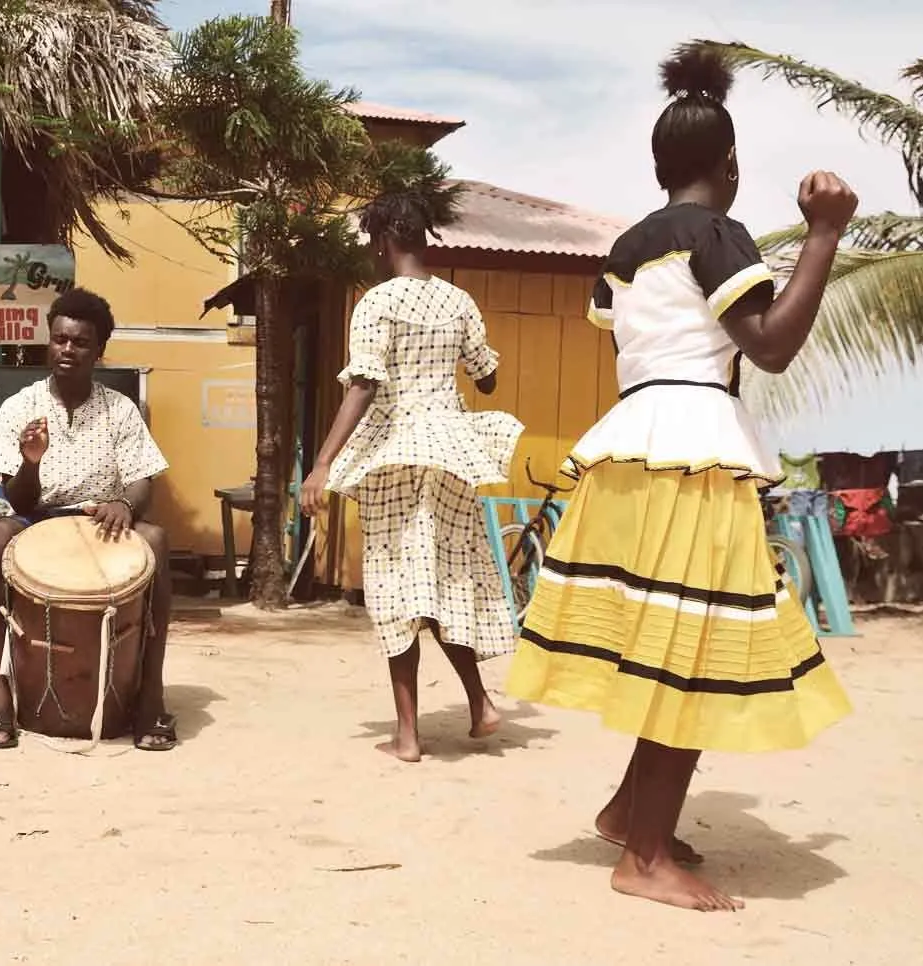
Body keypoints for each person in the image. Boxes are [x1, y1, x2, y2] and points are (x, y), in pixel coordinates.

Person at [505, 49, 856, 912]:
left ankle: (630, 814)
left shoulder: (626, 250)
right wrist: (822, 234)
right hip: (694, 450)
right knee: (690, 654)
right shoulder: (716, 235)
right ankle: (646, 858)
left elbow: (633, 335)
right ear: (730, 167)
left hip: (635, 446)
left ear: (658, 169)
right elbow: (767, 345)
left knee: (671, 641)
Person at [300, 193, 524, 763]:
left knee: (399, 588)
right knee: (443, 581)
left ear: (381, 242)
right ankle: (480, 705)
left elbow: (365, 384)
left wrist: (323, 462)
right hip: (452, 453)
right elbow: (488, 377)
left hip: (398, 456)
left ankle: (408, 735)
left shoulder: (377, 303)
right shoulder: (459, 301)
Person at [0, 287, 176, 751]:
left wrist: (126, 504)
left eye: (80, 342)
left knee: (158, 539)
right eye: (60, 339)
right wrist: (31, 461)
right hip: (40, 520)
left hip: (103, 520)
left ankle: (151, 691)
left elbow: (144, 480)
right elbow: (19, 502)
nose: (67, 349)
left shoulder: (121, 409)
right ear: (50, 340)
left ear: (98, 351)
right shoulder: (19, 408)